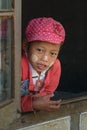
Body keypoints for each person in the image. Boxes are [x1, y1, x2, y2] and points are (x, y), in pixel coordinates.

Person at [21, 17, 65, 112]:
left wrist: (42, 98)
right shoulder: (18, 66)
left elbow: (49, 92)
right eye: (40, 50)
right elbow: (8, 102)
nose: (45, 59)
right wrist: (32, 104)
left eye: (52, 53)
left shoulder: (55, 66)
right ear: (25, 45)